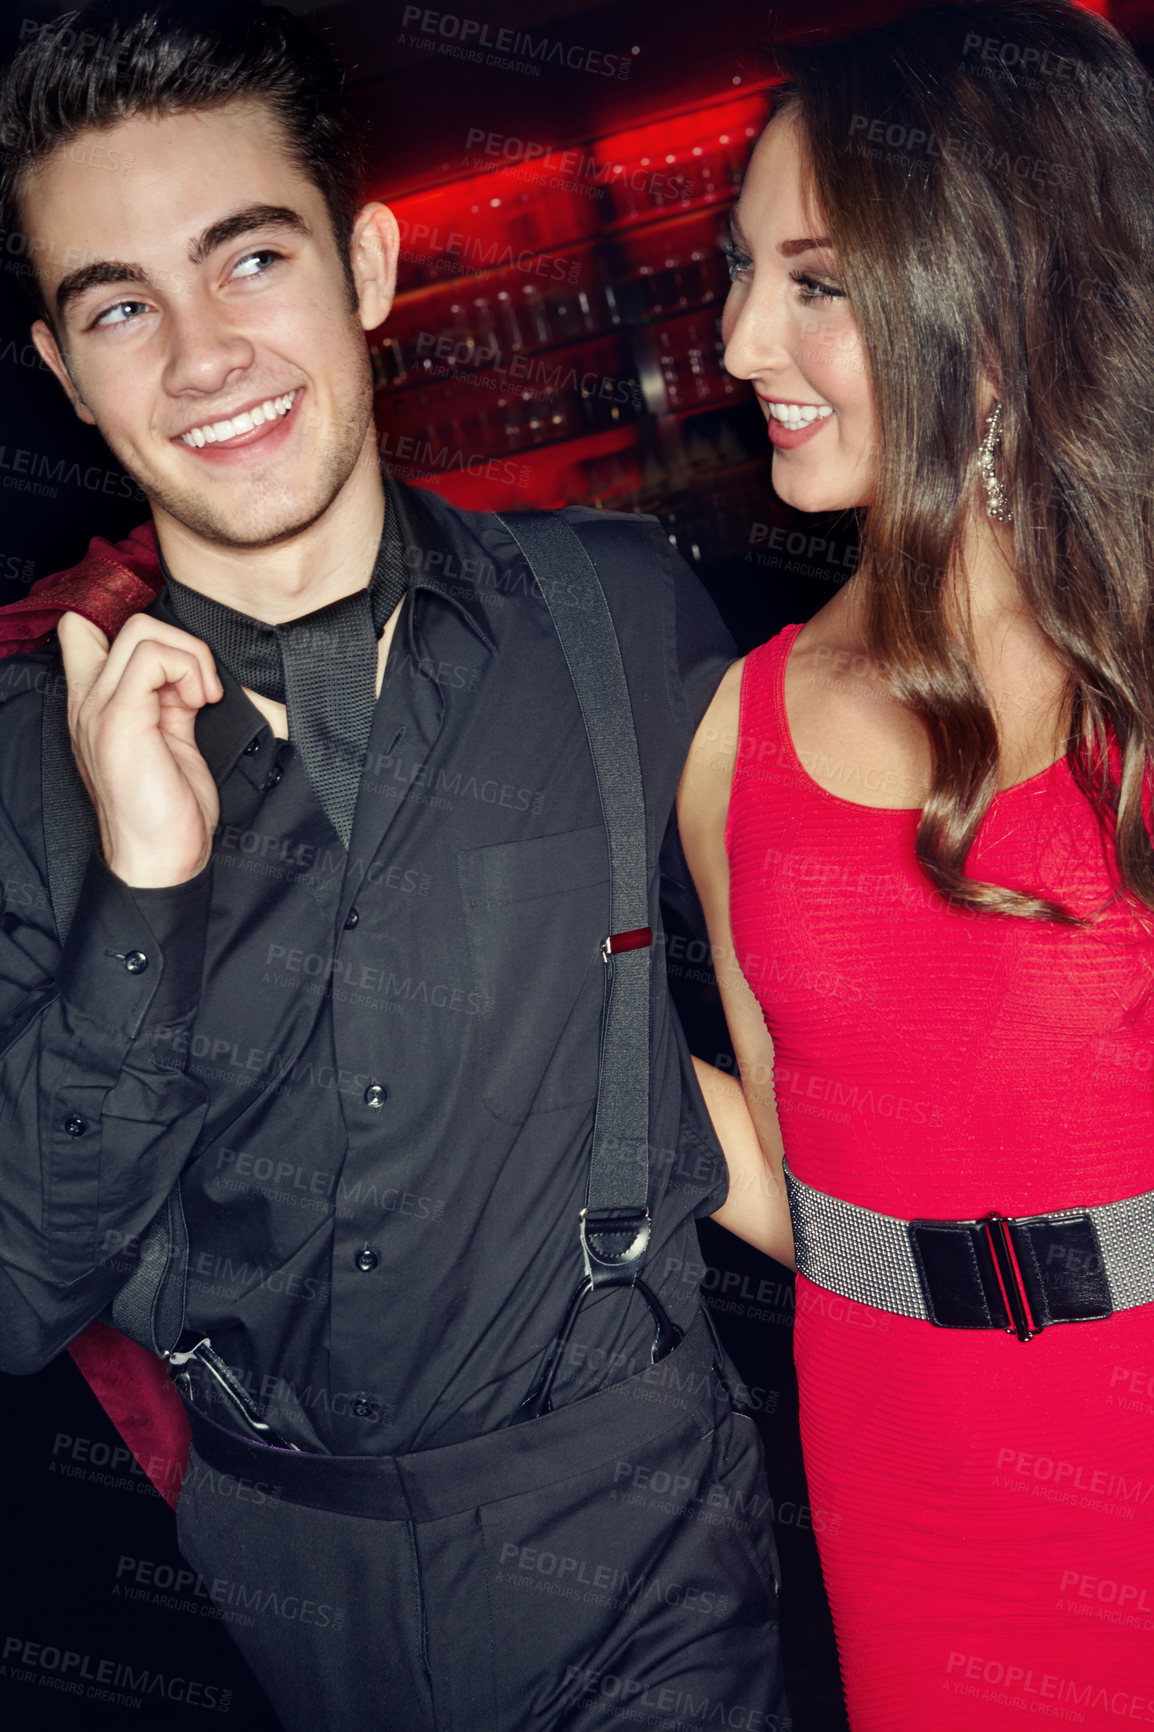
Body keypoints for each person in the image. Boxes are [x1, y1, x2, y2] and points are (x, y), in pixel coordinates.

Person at [0, 3, 791, 1727]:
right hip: (265, 1578)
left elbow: (826, 1019)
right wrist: (143, 891)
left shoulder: (618, 615)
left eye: (250, 258)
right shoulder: (17, 762)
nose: (202, 354)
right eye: (120, 305)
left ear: (362, 264)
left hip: (633, 1525)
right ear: (65, 370)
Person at [677, 2, 1154, 1727]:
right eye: (740, 273)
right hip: (904, 1493)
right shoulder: (734, 731)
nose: (736, 341)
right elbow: (811, 1192)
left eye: (815, 281)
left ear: (1002, 295)